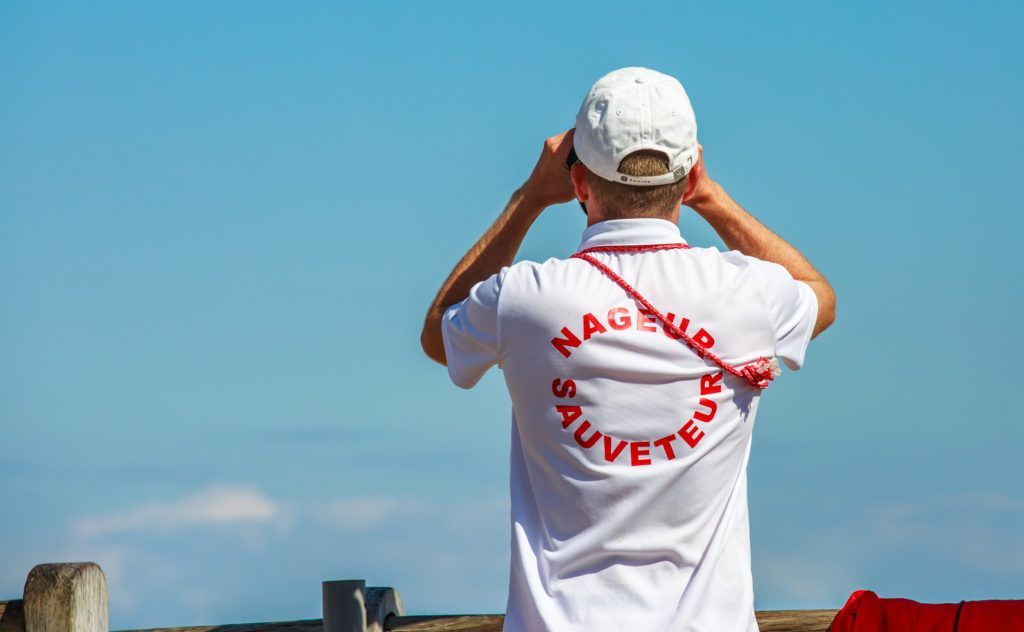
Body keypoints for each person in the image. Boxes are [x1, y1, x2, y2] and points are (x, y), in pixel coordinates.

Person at [420, 67, 836, 632]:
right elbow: (820, 298)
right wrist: (712, 199)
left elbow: (439, 333)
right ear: (687, 179)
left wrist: (527, 198)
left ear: (577, 183)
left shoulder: (524, 298)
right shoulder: (745, 291)